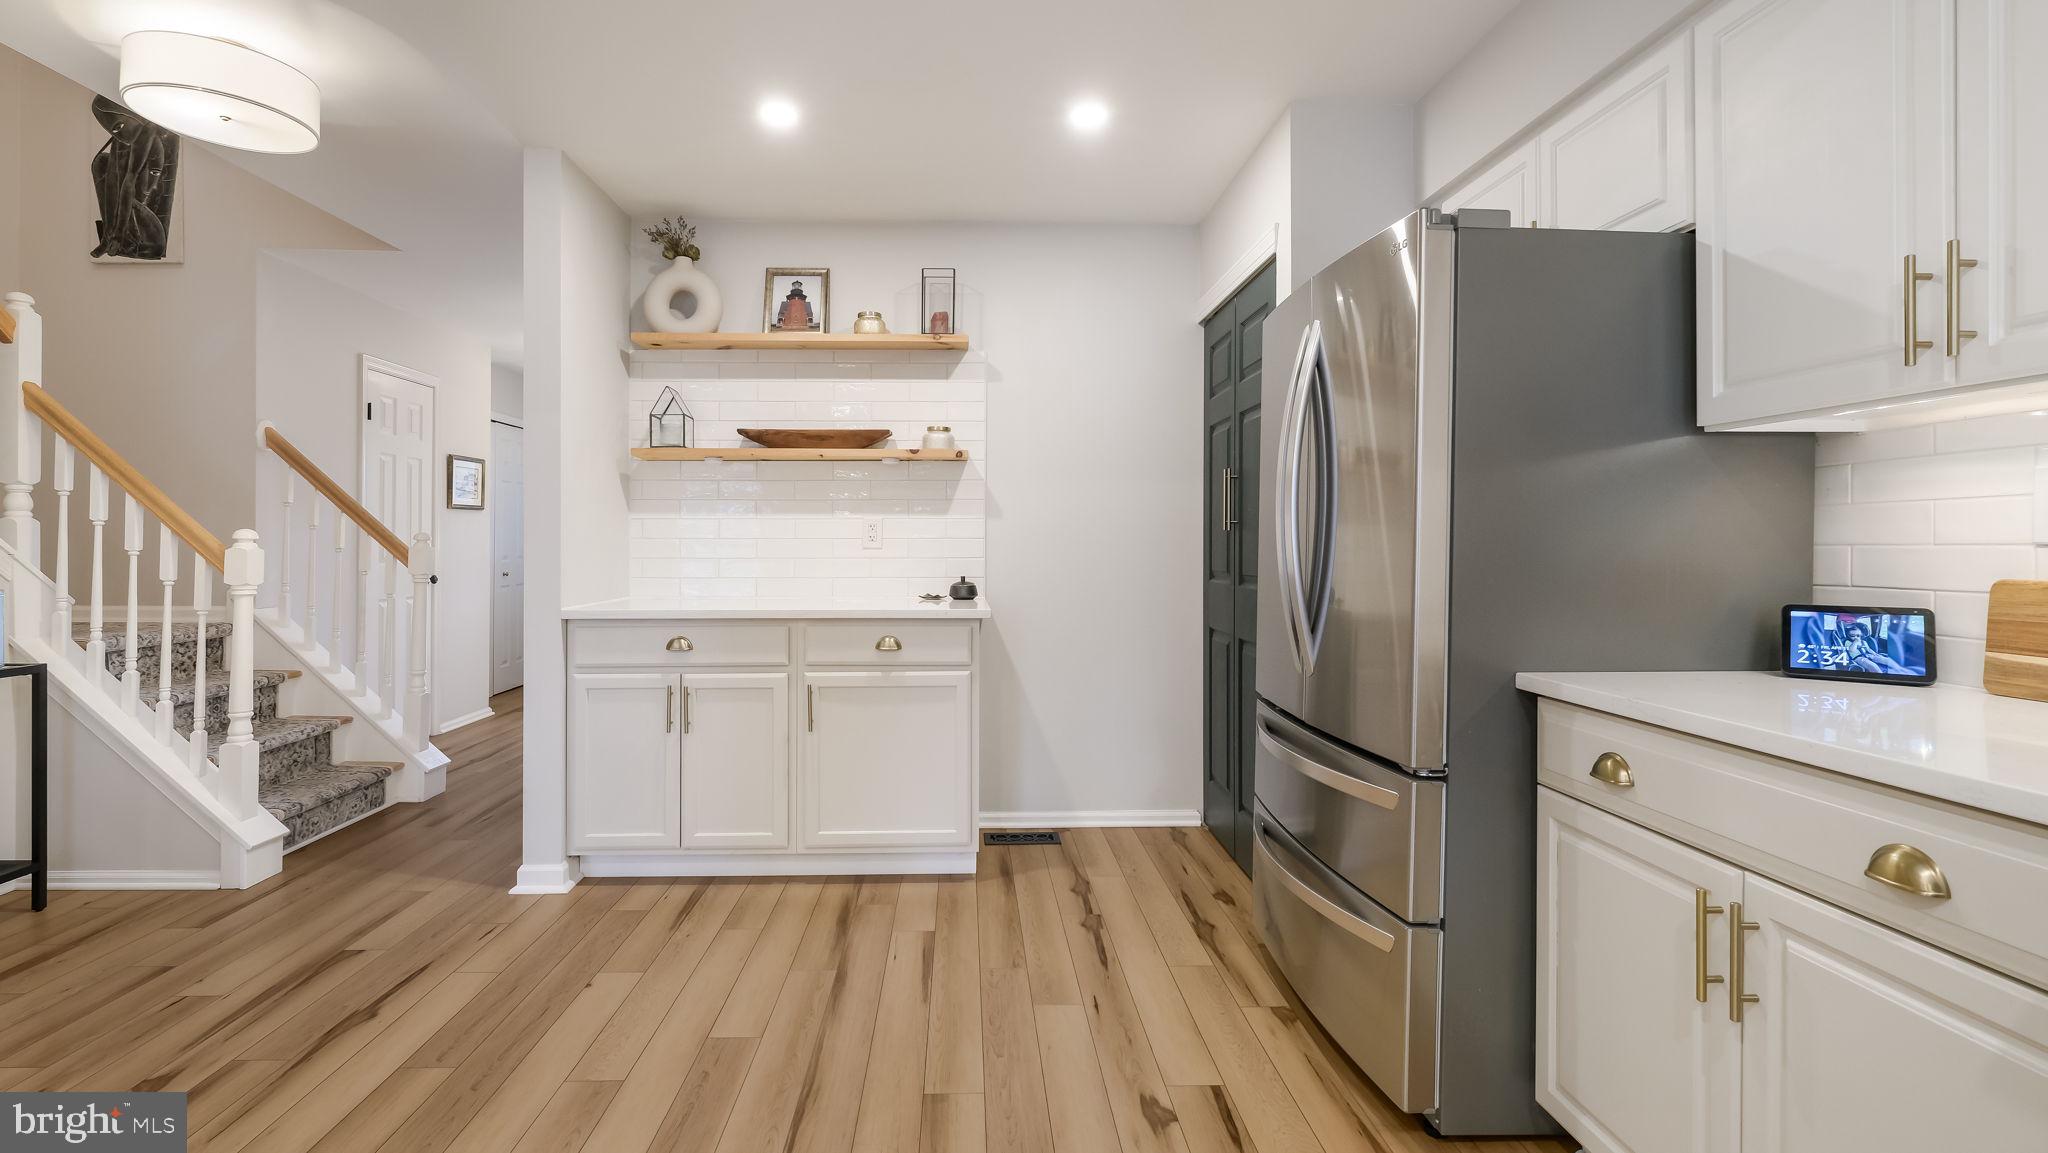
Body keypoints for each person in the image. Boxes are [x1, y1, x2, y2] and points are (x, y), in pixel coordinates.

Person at [1839, 620, 1912, 675]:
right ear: (1848, 636)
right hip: (1858, 658)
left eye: (1858, 635)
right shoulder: (1848, 642)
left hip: (1868, 655)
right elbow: (1851, 650)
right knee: (1871, 665)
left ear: (1861, 635)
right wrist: (1855, 642)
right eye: (1852, 636)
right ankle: (1879, 674)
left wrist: (1875, 654)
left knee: (1885, 659)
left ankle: (1900, 669)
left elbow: (1868, 649)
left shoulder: (1863, 642)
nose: (1855, 637)